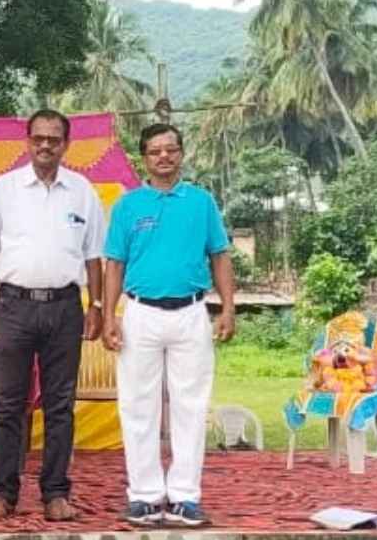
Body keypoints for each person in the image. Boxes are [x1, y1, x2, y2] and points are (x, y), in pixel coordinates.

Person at [0, 109, 105, 521]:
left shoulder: (82, 191)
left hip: (65, 308)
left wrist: (96, 306)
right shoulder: (4, 189)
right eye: (38, 138)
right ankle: (4, 493)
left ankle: (56, 493)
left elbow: (94, 257)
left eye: (54, 139)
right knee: (7, 404)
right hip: (13, 307)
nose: (46, 146)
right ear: (27, 142)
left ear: (66, 145)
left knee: (60, 405)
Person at [102, 123, 235, 527]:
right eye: (155, 150)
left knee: (190, 407)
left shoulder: (201, 202)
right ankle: (144, 497)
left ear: (181, 154)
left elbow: (220, 255)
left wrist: (228, 308)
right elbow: (114, 264)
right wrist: (108, 315)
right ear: (144, 157)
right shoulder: (128, 206)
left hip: (191, 313)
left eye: (171, 149)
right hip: (140, 313)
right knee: (137, 405)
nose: (164, 156)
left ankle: (184, 497)